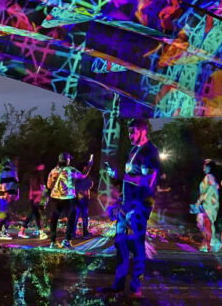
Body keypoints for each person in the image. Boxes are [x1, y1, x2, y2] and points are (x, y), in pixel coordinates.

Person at [101, 118, 160, 298]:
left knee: (136, 245)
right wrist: (119, 200)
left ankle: (136, 289)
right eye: (128, 132)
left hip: (140, 206)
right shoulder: (133, 150)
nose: (130, 135)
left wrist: (121, 175)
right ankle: (118, 285)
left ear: (143, 131)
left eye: (133, 131)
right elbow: (129, 178)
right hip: (126, 206)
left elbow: (147, 181)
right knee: (120, 244)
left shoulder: (150, 152)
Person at [43, 152, 89, 248]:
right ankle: (67, 240)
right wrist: (90, 166)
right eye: (69, 159)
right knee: (71, 218)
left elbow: (49, 186)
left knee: (54, 219)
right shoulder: (71, 170)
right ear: (67, 160)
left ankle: (53, 241)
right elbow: (83, 176)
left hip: (55, 198)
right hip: (68, 198)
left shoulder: (53, 171)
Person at [0, 157, 19, 240]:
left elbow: (14, 184)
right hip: (5, 196)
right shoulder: (6, 172)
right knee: (4, 214)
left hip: (7, 195)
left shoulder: (10, 171)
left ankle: (1, 230)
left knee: (6, 214)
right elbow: (4, 184)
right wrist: (7, 195)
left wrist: (15, 193)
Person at [18, 163, 48, 240]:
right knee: (37, 216)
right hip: (35, 200)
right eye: (41, 167)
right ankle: (41, 232)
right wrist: (37, 198)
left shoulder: (37, 177)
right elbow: (35, 190)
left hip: (36, 199)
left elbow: (41, 189)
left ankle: (22, 231)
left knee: (31, 216)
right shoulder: (36, 177)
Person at [195, 159, 219, 252]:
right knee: (202, 223)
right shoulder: (209, 177)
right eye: (204, 166)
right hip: (207, 203)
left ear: (210, 167)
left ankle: (207, 245)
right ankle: (210, 242)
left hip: (209, 204)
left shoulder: (209, 177)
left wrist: (198, 202)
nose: (203, 167)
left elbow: (205, 191)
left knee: (206, 224)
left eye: (205, 166)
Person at [75, 155, 94, 238]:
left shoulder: (76, 175)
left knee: (76, 215)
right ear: (84, 167)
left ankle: (73, 233)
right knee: (84, 215)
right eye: (87, 168)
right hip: (82, 197)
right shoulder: (81, 175)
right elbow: (89, 184)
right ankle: (85, 233)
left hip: (77, 197)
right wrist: (90, 163)